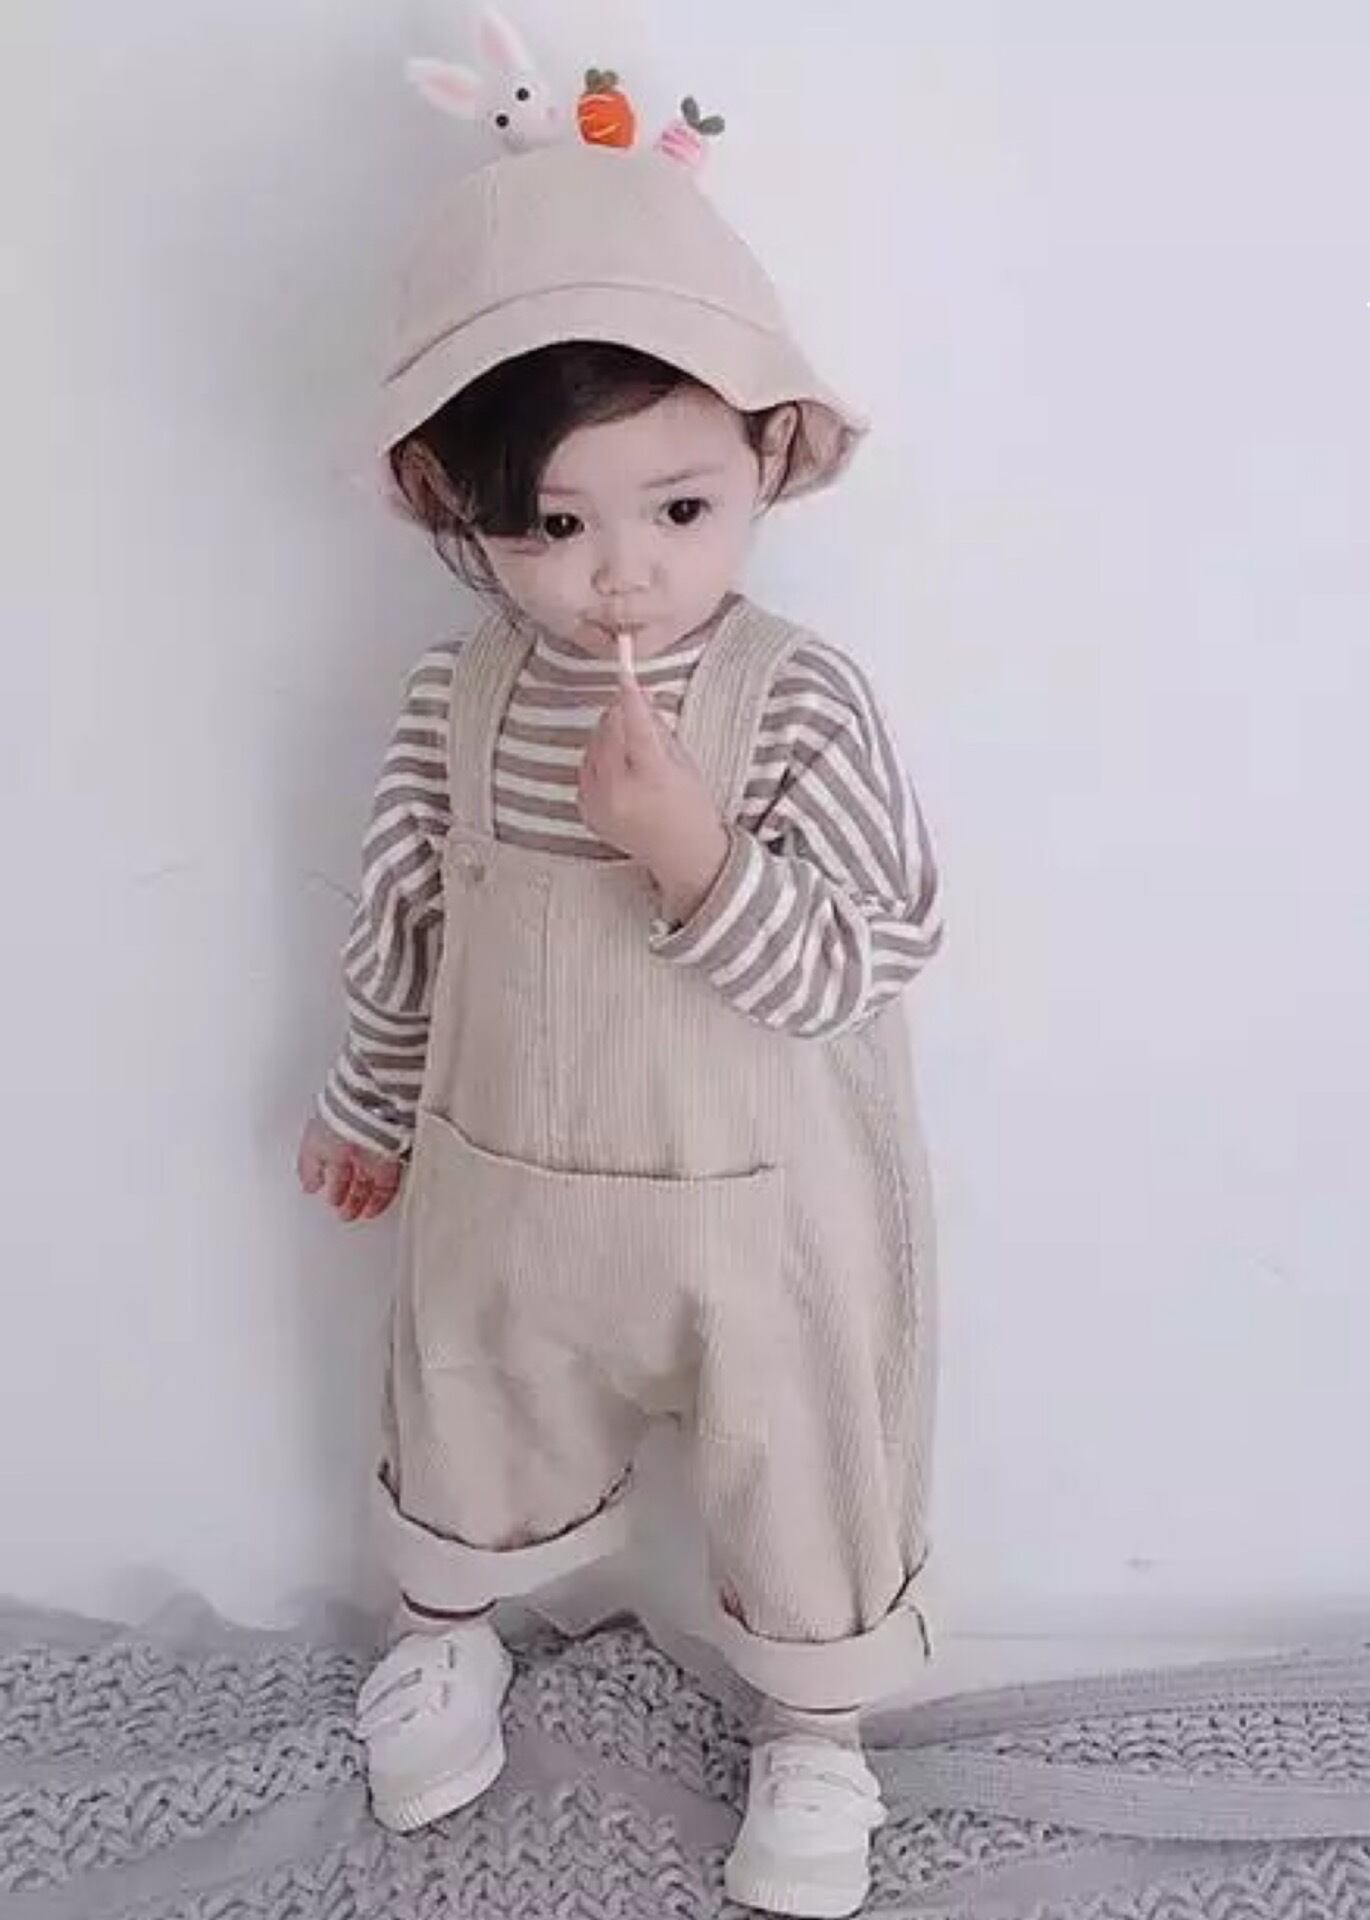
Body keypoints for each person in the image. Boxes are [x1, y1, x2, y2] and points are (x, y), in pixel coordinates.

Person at [297, 134, 942, 1919]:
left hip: (756, 1207)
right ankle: (444, 1627)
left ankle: (815, 1725)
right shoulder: (457, 701)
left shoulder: (796, 701)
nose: (620, 576)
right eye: (552, 524)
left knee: (801, 1452)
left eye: (678, 509)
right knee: (463, 1400)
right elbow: (402, 924)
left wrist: (696, 854)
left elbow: (873, 953)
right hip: (507, 1181)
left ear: (768, 458)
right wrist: (367, 1105)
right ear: (456, 501)